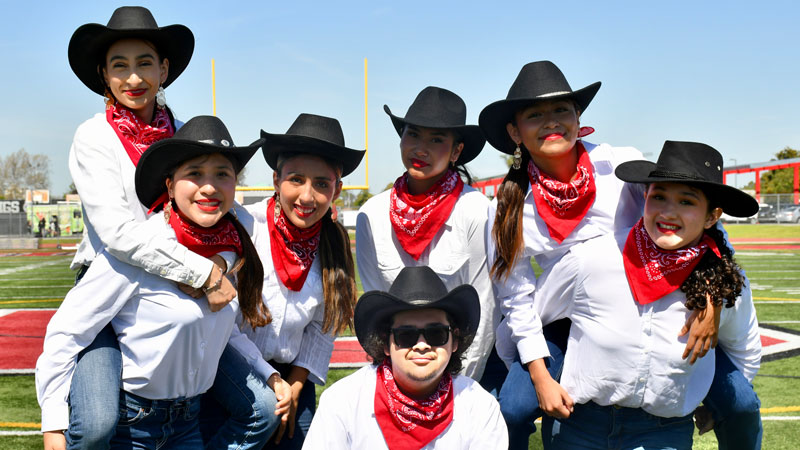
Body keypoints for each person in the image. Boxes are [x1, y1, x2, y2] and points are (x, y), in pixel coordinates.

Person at [479, 61, 762, 448]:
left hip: (663, 298)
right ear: (514, 131)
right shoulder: (510, 205)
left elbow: (700, 230)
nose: (551, 122)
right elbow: (516, 296)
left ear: (579, 118)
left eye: (562, 110)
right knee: (513, 408)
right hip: (569, 315)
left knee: (742, 403)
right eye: (534, 115)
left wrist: (710, 297)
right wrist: (541, 375)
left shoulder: (617, 166)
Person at [37, 115, 285, 449]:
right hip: (131, 427)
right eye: (194, 174)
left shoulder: (229, 248)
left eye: (222, 175)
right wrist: (53, 424)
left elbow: (224, 330)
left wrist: (267, 372)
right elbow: (67, 332)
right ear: (169, 186)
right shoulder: (141, 251)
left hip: (187, 425)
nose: (209, 187)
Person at [64, 8, 240, 449]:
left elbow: (220, 205)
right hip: (111, 284)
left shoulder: (183, 132)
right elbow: (119, 234)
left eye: (145, 62)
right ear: (104, 74)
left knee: (252, 406)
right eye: (119, 65)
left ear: (164, 69)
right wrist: (203, 273)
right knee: (98, 425)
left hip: (185, 283)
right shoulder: (93, 136)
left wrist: (220, 258)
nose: (133, 77)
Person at [528, 141, 762, 449]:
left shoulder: (722, 282)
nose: (668, 211)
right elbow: (533, 316)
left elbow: (743, 349)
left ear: (711, 216)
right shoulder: (594, 258)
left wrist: (715, 404)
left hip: (663, 430)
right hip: (580, 423)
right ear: (645, 199)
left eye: (687, 202)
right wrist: (541, 377)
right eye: (659, 196)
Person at [218, 113, 364, 449]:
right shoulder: (243, 225)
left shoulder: (334, 243)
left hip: (294, 375)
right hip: (231, 368)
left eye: (322, 183)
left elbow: (320, 329)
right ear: (275, 179)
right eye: (296, 179)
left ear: (337, 189)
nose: (307, 196)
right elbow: (224, 320)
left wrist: (295, 386)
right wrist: (269, 381)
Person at [356, 86, 502, 391]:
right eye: (413, 135)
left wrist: (456, 385)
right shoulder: (372, 214)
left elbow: (485, 309)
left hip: (466, 374)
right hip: (398, 373)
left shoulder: (476, 210)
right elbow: (377, 310)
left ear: (457, 151)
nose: (420, 148)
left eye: (436, 139)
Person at [304, 266, 508, 449]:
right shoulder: (343, 402)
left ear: (454, 341)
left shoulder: (481, 407)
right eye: (406, 335)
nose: (421, 345)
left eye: (436, 334)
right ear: (385, 343)